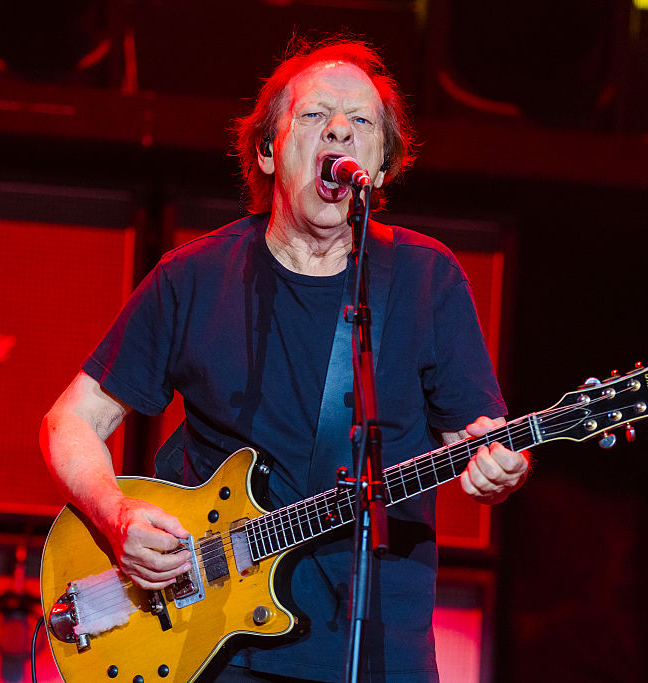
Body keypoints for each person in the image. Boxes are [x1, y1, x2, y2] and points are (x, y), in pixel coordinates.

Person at [40, 38, 529, 683]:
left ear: (381, 166)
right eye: (315, 114)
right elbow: (70, 421)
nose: (339, 130)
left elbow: (475, 435)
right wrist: (115, 513)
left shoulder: (426, 278)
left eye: (362, 123)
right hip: (216, 645)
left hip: (383, 648)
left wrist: (501, 462)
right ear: (269, 150)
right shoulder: (194, 278)